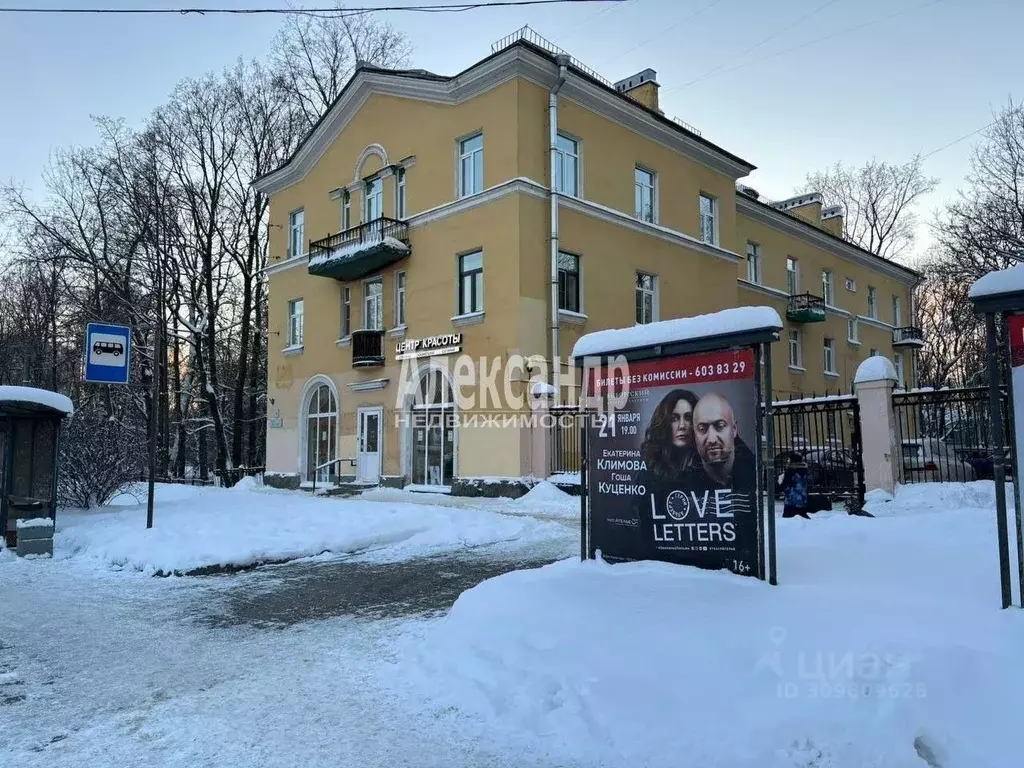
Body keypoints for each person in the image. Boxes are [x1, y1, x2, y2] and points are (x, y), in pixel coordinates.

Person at [689, 393, 756, 492]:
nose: (712, 439)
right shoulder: (683, 484)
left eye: (720, 426)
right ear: (694, 434)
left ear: (734, 429)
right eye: (702, 428)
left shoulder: (755, 472)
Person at [640, 389, 700, 481]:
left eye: (688, 418)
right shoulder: (649, 464)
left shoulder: (704, 467)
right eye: (674, 419)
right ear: (664, 423)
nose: (682, 426)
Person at [779, 451, 811, 519]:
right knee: (803, 521)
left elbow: (784, 485)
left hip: (791, 502)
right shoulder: (804, 470)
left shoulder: (790, 471)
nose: (788, 460)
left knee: (788, 523)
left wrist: (779, 483)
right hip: (802, 501)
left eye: (789, 459)